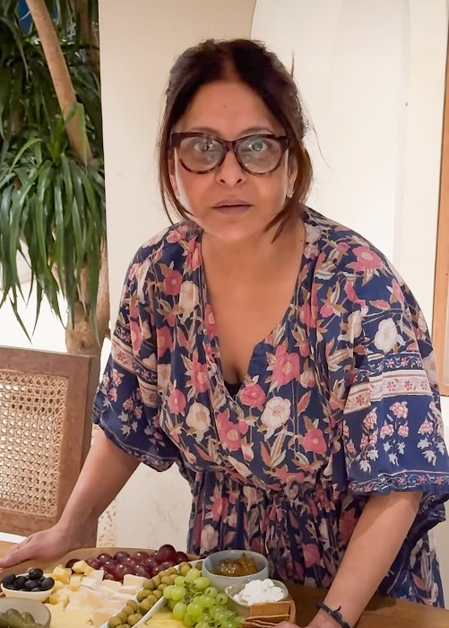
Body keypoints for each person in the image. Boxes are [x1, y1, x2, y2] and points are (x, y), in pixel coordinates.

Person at [1, 38, 449, 628]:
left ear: (292, 160)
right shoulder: (159, 274)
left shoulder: (357, 287)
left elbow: (399, 485)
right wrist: (73, 524)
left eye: (257, 147)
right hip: (224, 581)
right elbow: (129, 417)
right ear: (172, 161)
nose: (230, 173)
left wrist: (330, 620)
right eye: (203, 147)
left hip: (358, 593)